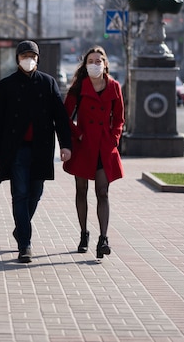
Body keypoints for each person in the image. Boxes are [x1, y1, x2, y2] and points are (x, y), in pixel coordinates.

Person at [0, 40, 72, 263]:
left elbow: (60, 118)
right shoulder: (6, 85)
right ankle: (25, 244)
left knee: (35, 193)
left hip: (41, 149)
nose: (29, 60)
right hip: (15, 150)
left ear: (38, 59)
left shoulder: (48, 83)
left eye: (32, 56)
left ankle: (20, 228)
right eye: (24, 56)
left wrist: (66, 144)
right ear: (18, 59)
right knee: (20, 194)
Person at [62, 45, 124, 259]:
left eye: (99, 61)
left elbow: (119, 119)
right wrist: (78, 134)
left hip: (105, 147)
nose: (95, 64)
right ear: (85, 65)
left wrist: (114, 139)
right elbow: (65, 117)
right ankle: (83, 234)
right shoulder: (79, 88)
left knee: (103, 191)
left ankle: (103, 238)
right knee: (81, 191)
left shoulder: (114, 86)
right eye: (91, 61)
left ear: (105, 64)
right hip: (83, 146)